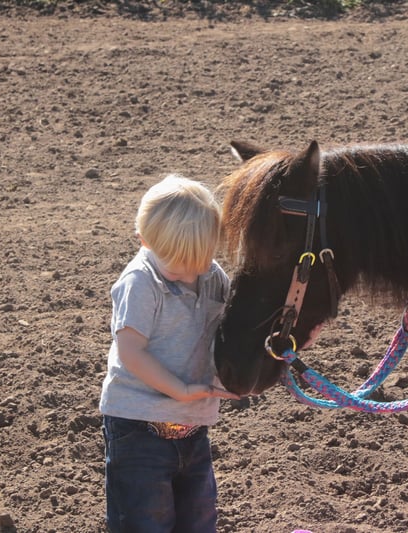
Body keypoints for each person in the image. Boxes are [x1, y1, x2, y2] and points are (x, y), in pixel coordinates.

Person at [99, 174, 239, 533]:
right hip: (138, 430)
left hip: (193, 429)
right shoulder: (140, 282)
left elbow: (236, 326)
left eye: (199, 261)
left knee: (200, 520)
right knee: (143, 523)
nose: (189, 273)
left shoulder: (212, 277)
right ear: (144, 240)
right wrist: (180, 389)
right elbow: (131, 352)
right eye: (177, 265)